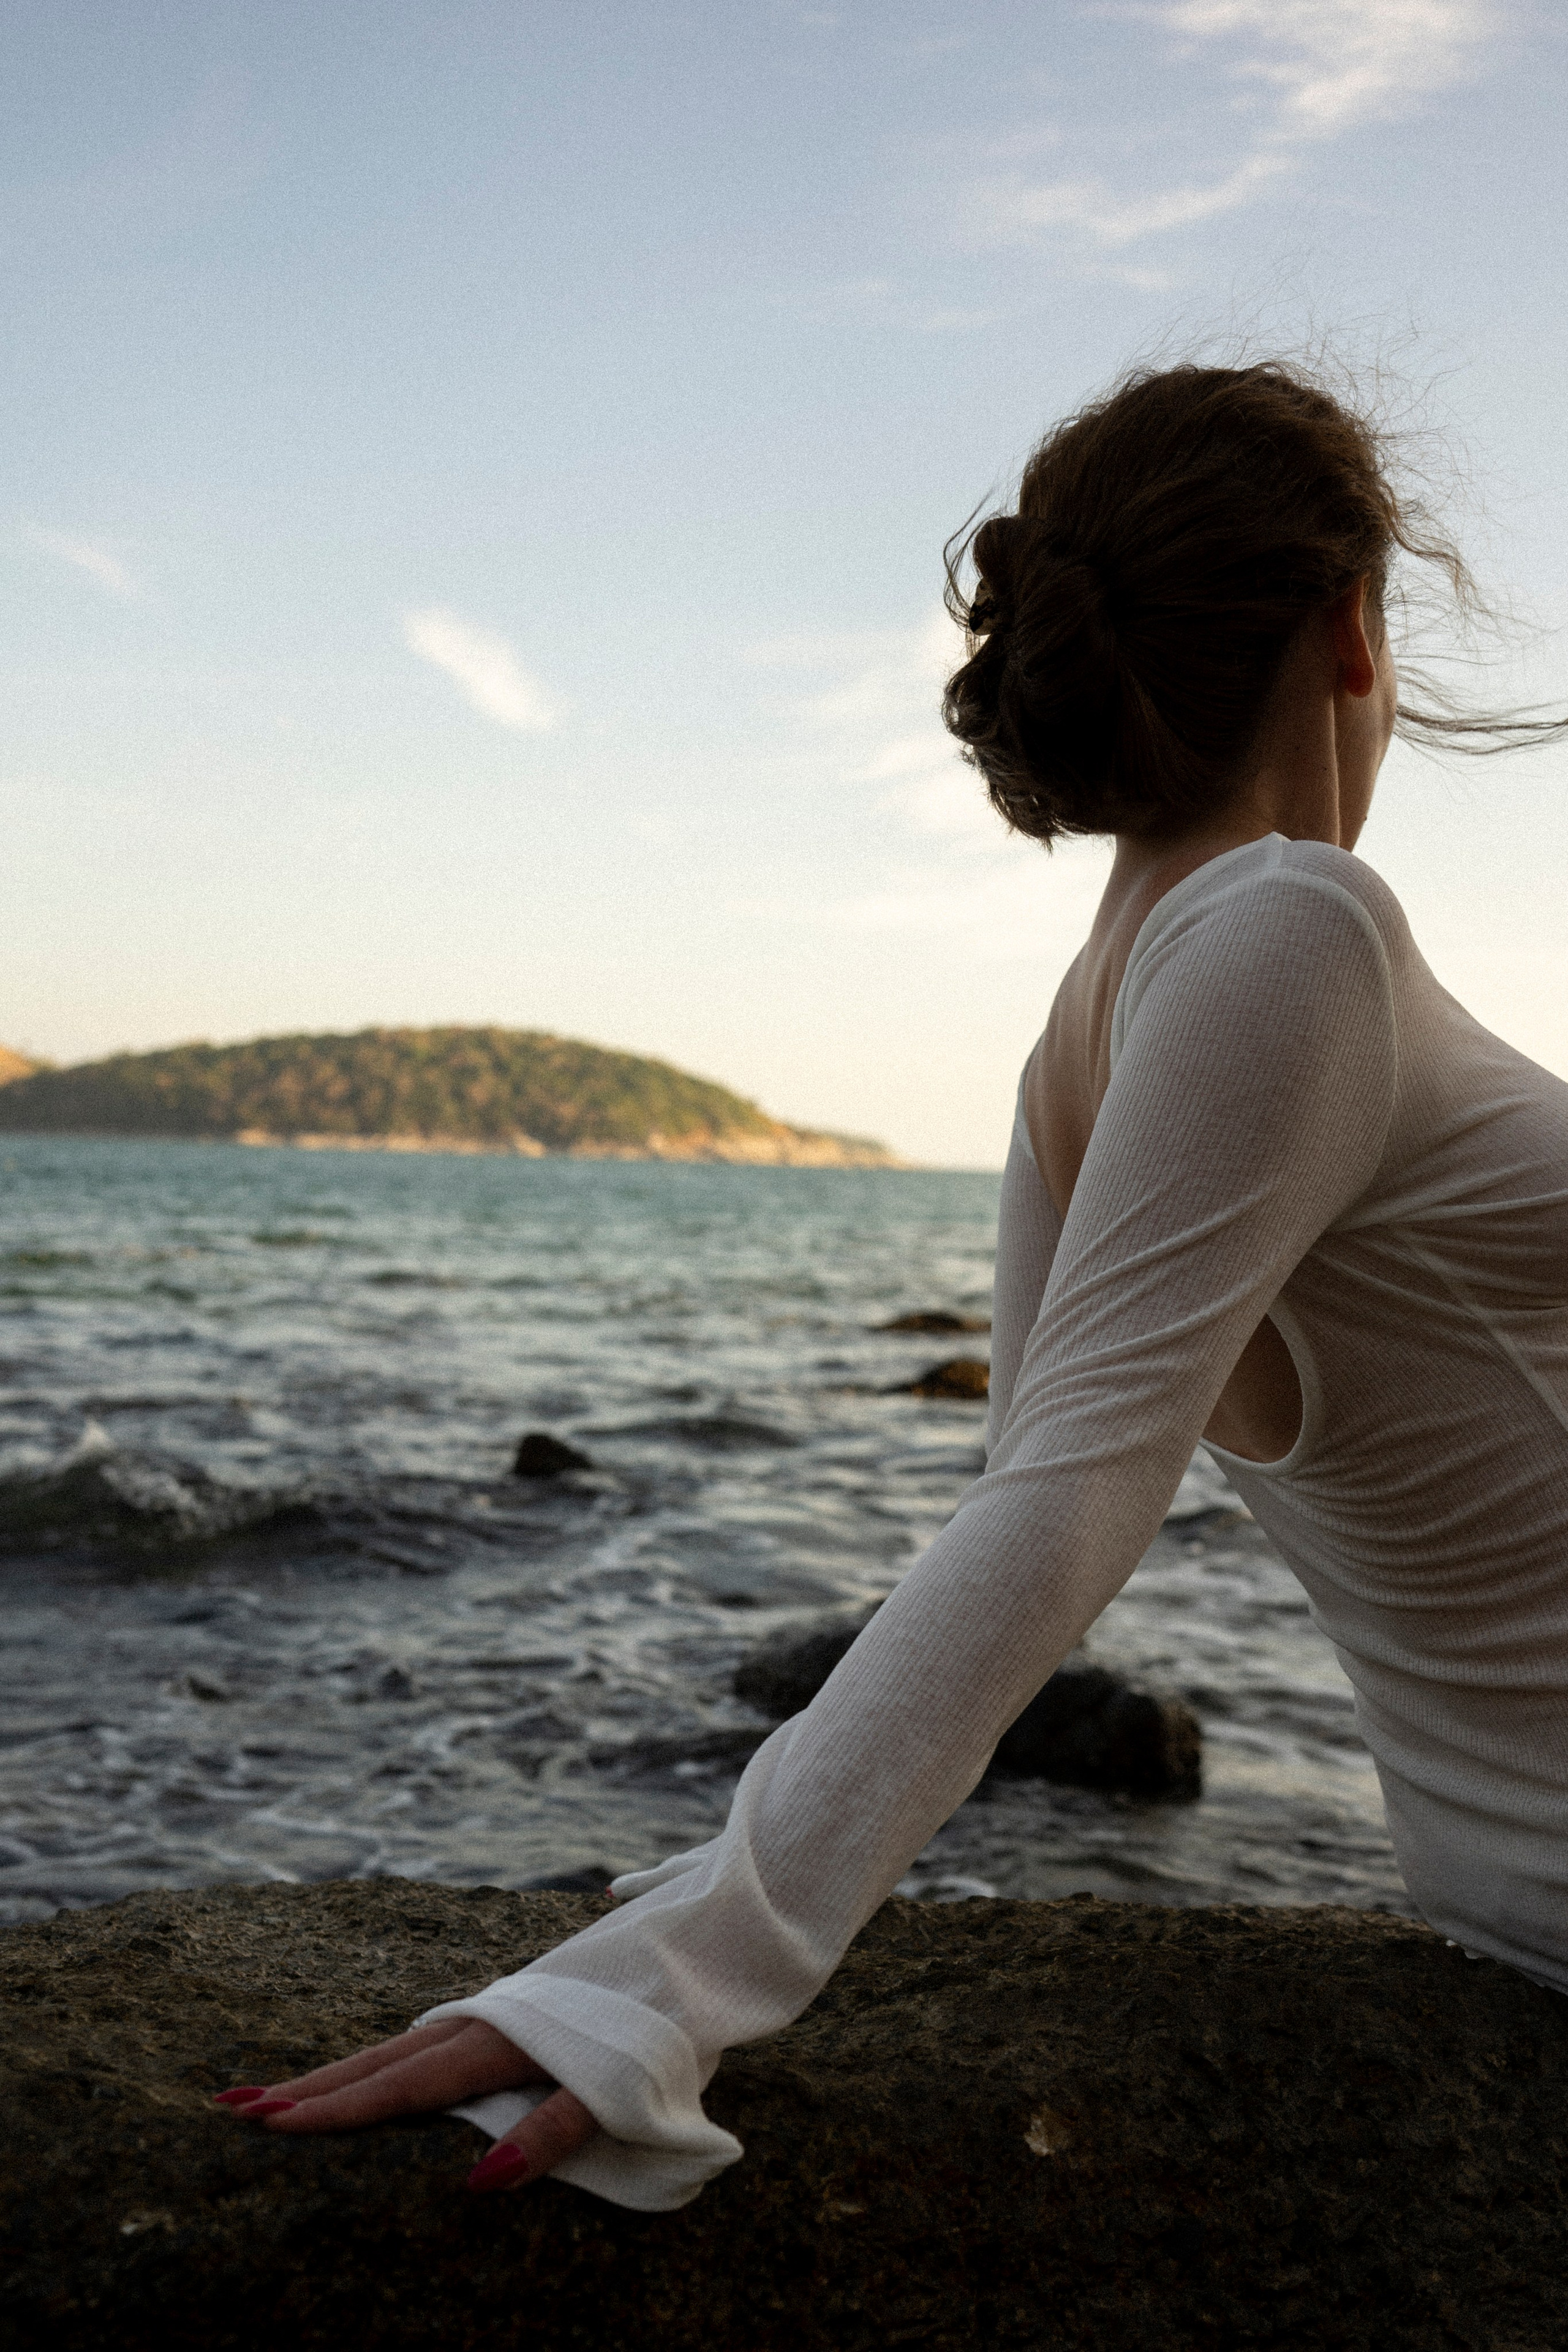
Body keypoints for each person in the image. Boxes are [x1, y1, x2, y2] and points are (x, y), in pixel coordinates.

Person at [214, 361, 1568, 2209]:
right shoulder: (1294, 927)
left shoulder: (1085, 1042)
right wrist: (667, 1967)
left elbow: (1035, 1486)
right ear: (1352, 626)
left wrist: (674, 1944)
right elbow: (1068, 1496)